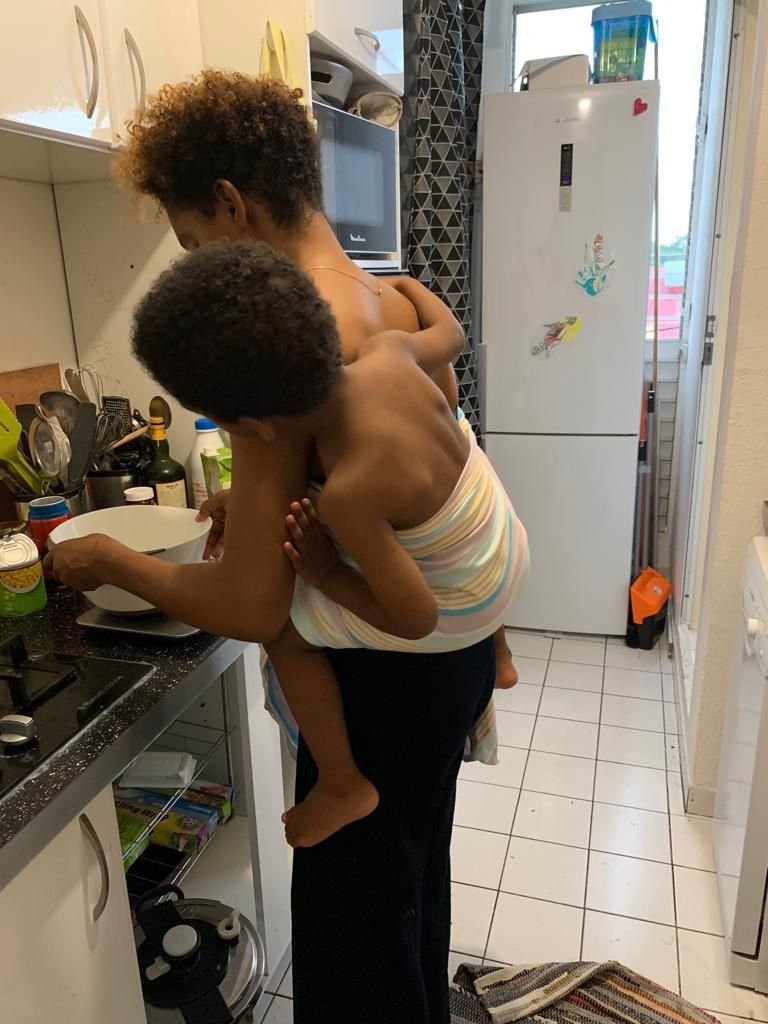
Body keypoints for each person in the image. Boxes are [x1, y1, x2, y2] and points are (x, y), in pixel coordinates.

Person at [112, 67, 520, 690]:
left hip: (385, 668)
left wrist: (110, 561)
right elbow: (439, 447)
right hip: (468, 627)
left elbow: (252, 605)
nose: (198, 263)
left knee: (285, 634)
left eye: (194, 242)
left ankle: (335, 762)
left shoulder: (267, 342)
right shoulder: (388, 303)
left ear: (230, 203)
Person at [124, 241, 528, 851]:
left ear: (253, 429)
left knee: (283, 627)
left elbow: (416, 618)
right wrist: (407, 286)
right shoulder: (388, 353)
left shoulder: (350, 495)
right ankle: (502, 653)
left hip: (464, 602)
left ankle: (342, 783)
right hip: (501, 544)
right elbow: (450, 335)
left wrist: (324, 572)